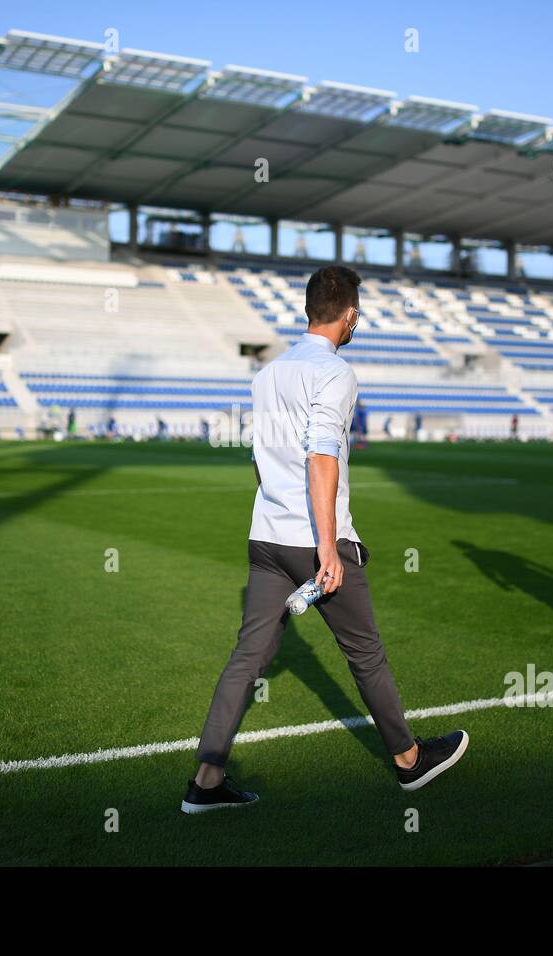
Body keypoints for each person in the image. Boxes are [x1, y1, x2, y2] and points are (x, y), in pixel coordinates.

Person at [182, 265, 468, 813]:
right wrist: (328, 545)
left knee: (247, 659)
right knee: (365, 653)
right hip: (312, 539)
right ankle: (410, 761)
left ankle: (207, 781)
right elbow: (321, 458)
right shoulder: (335, 372)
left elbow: (261, 460)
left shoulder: (267, 374)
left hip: (266, 536)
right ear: (350, 314)